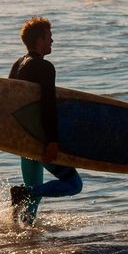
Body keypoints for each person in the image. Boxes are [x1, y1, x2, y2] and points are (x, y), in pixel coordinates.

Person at [8, 16, 82, 225]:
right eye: (49, 36)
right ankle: (22, 195)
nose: (52, 41)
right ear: (40, 40)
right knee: (73, 185)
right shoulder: (44, 67)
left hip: (24, 139)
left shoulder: (18, 65)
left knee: (33, 198)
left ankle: (19, 238)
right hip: (40, 138)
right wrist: (52, 141)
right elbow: (47, 105)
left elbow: (10, 103)